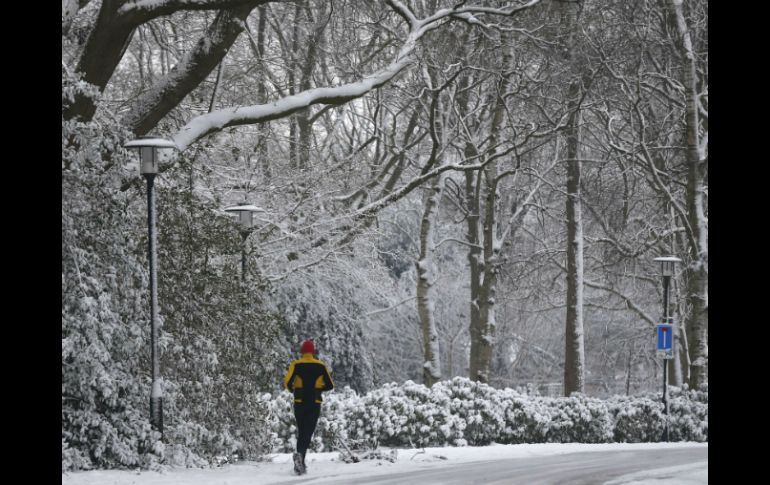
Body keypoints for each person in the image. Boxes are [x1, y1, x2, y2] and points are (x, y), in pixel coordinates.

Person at [283, 339, 334, 475]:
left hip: (299, 402)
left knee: (302, 432)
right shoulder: (320, 366)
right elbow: (330, 385)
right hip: (314, 403)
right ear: (313, 351)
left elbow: (287, 382)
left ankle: (301, 461)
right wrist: (319, 387)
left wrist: (293, 390)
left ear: (302, 351)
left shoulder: (296, 365)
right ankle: (300, 458)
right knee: (307, 433)